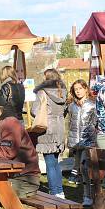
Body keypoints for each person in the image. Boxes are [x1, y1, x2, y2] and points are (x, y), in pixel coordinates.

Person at [31, 69, 67, 198]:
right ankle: (60, 191)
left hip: (47, 128)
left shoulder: (42, 92)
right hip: (60, 128)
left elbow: (35, 111)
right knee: (56, 162)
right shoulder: (62, 91)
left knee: (49, 162)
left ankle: (54, 191)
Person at [65, 79, 96, 206]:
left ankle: (87, 196)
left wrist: (92, 138)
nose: (78, 91)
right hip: (75, 142)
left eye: (80, 88)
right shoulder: (72, 106)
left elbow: (95, 123)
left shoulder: (92, 105)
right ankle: (87, 193)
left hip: (87, 141)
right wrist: (69, 140)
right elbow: (70, 123)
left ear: (86, 89)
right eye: (75, 89)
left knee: (84, 168)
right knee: (79, 170)